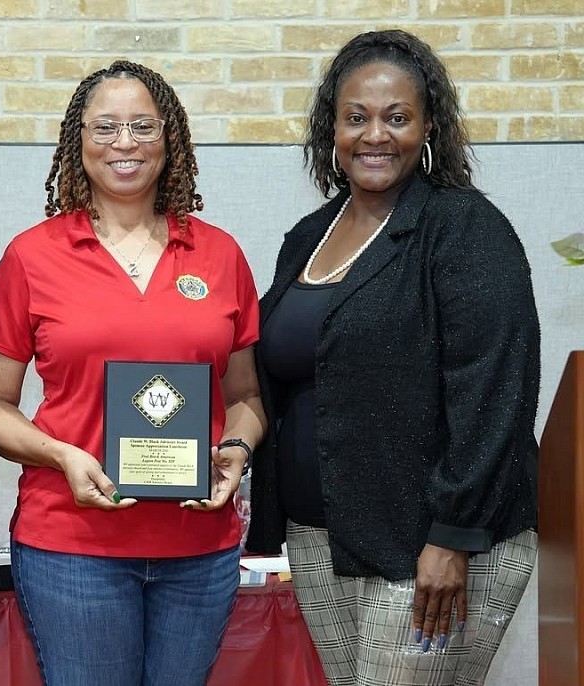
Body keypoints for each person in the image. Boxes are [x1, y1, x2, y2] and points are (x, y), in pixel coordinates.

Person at [246, 29, 539, 685]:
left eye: (396, 117)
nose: (374, 134)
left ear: (428, 124)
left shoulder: (464, 228)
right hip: (321, 538)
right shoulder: (308, 236)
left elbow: (494, 391)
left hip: (428, 542)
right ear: (332, 129)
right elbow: (284, 378)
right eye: (356, 117)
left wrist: (452, 535)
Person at [0, 60, 267, 686]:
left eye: (142, 126)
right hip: (72, 546)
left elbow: (244, 397)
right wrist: (60, 456)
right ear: (77, 142)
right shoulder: (32, 255)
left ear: (171, 139)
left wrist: (237, 449)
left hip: (200, 547)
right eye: (104, 127)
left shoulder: (219, 253)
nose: (124, 143)